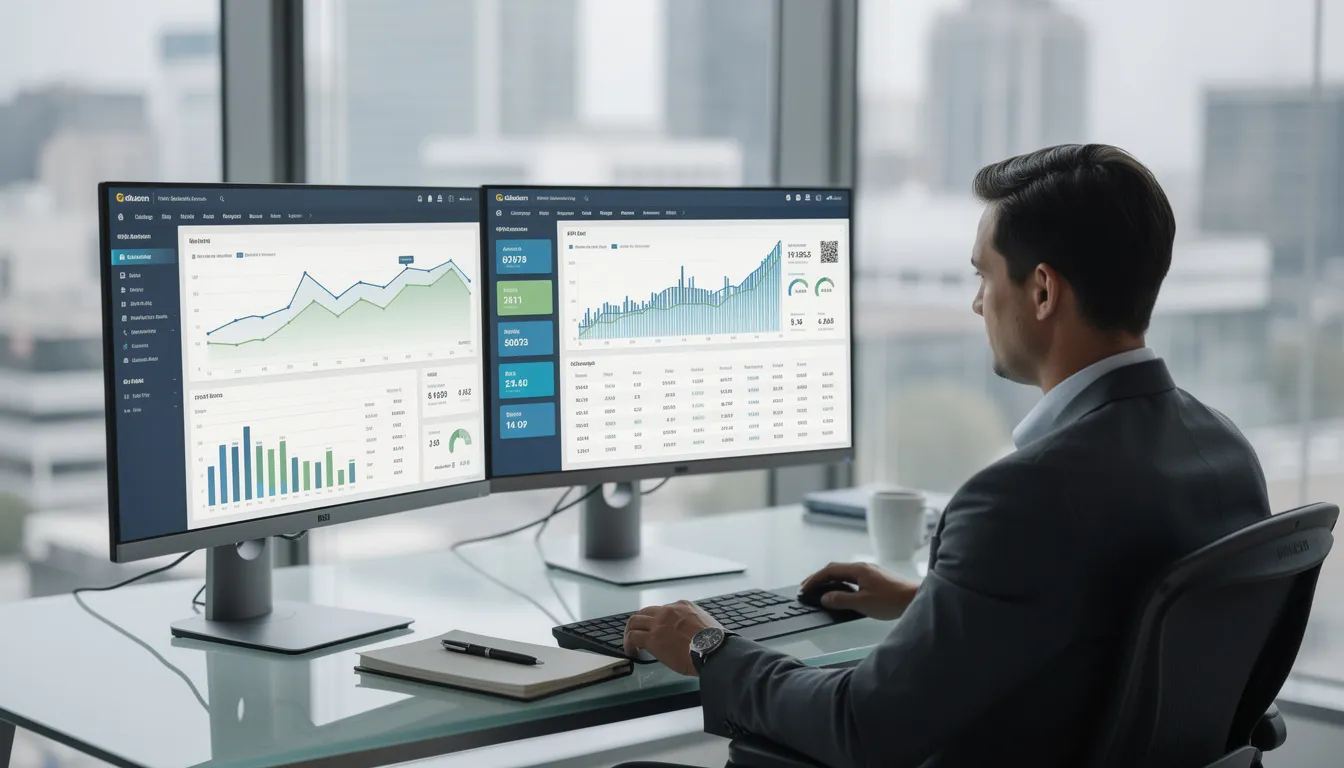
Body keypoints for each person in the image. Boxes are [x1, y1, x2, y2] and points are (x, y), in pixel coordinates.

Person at [619, 144, 1272, 768]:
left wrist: (710, 646)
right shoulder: (1225, 453)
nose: (978, 302)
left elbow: (860, 729)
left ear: (1043, 291)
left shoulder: (1022, 499)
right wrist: (935, 602)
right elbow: (1108, 622)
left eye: (984, 275)